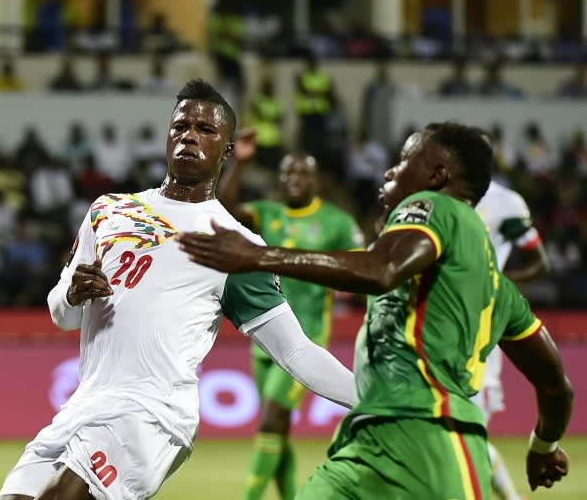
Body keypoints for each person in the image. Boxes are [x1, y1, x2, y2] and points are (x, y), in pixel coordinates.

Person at [0, 78, 355, 500]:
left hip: (152, 414)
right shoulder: (109, 210)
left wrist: (375, 400)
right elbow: (62, 315)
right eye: (181, 125)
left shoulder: (234, 245)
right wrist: (72, 294)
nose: (189, 135)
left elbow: (295, 351)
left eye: (206, 130)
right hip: (83, 406)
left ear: (226, 150)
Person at [178, 122, 573, 498]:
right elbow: (555, 386)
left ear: (435, 175)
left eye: (404, 160)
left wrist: (260, 257)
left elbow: (380, 270)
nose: (390, 170)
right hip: (364, 439)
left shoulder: (433, 205)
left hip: (431, 438)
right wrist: (544, 446)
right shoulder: (498, 289)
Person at [218, 129, 363, 500]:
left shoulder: (336, 221)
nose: (293, 180)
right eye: (287, 174)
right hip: (263, 339)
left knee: (272, 419)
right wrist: (240, 163)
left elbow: (363, 264)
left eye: (301, 174)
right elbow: (225, 212)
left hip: (307, 338)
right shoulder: (267, 214)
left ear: (315, 181)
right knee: (276, 431)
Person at [474, 167, 551, 500]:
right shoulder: (434, 200)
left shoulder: (505, 202)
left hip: (484, 329)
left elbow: (540, 262)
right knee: (451, 432)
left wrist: (497, 286)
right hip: (437, 326)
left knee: (469, 432)